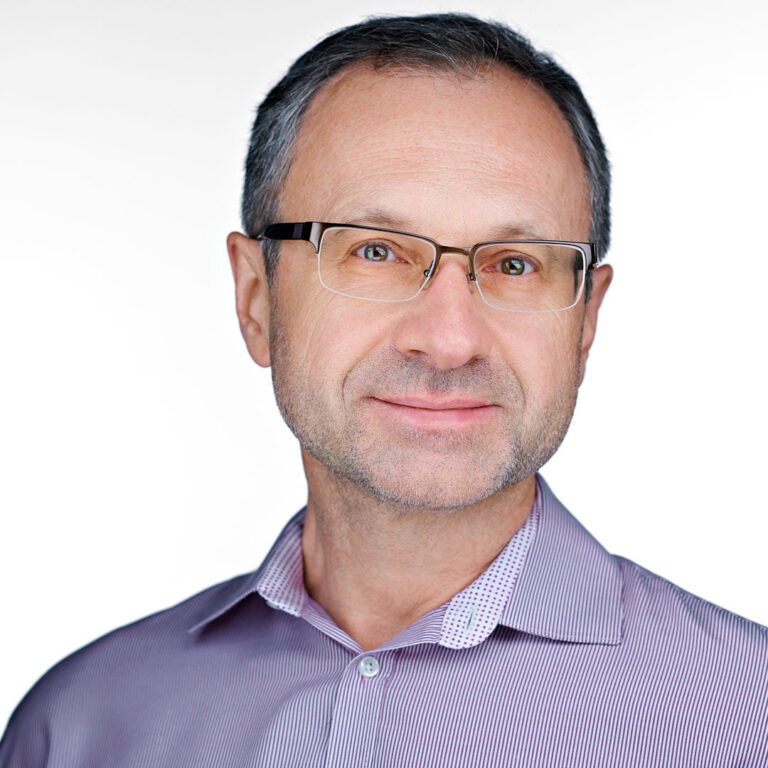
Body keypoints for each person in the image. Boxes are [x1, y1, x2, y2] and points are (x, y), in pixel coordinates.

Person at [1, 12, 766, 767]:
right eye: (375, 252)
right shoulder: (78, 728)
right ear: (256, 298)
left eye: (516, 264)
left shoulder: (747, 721)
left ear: (587, 318)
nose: (450, 340)